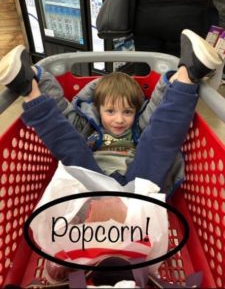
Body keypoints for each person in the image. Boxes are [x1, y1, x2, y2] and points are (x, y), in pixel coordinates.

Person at [0, 29, 223, 286]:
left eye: (128, 111)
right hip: (93, 184)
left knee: (158, 142)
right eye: (110, 111)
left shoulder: (139, 129)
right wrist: (41, 76)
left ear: (136, 111)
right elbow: (61, 112)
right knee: (72, 148)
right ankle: (28, 86)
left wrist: (171, 80)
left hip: (138, 185)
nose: (119, 119)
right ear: (97, 109)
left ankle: (189, 72)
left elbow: (160, 110)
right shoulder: (89, 129)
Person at [133, 0, 219, 75]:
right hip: (189, 13)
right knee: (181, 73)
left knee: (145, 70)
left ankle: (140, 87)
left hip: (147, 11)